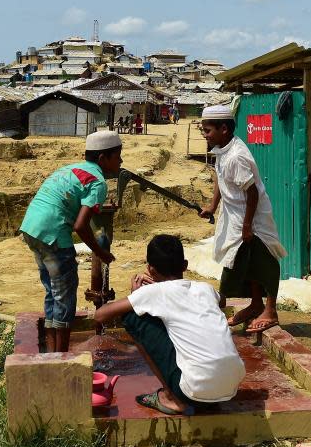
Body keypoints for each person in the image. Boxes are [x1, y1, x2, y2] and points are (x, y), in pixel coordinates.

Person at [90, 235, 245, 415]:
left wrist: (137, 295)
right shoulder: (205, 289)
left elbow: (100, 315)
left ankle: (172, 398)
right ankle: (206, 398)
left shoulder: (152, 293)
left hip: (191, 392)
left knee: (133, 317)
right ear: (185, 265)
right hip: (230, 387)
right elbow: (222, 301)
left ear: (150, 269)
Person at [19, 130, 123, 352]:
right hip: (54, 233)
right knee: (65, 295)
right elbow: (80, 225)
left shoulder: (70, 169)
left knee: (53, 292)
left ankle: (50, 352)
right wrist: (100, 252)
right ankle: (63, 359)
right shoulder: (98, 182)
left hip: (32, 228)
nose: (121, 161)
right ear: (103, 158)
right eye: (118, 156)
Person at [198, 104, 287, 334]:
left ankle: (271, 310)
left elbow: (252, 192)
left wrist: (247, 226)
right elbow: (220, 178)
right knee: (245, 263)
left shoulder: (236, 156)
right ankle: (256, 304)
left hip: (252, 217)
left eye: (207, 130)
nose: (205, 135)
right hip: (235, 214)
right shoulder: (222, 150)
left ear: (224, 129)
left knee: (263, 262)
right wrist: (213, 206)